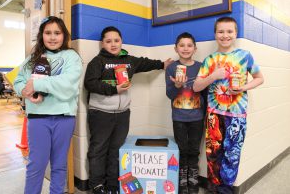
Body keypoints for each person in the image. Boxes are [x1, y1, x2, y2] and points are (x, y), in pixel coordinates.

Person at [84, 26, 173, 194]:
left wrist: (162, 64)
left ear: (121, 41)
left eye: (116, 40)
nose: (113, 44)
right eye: (108, 41)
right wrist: (114, 89)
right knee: (98, 150)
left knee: (116, 150)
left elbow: (145, 63)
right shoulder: (97, 62)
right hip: (100, 114)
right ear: (102, 43)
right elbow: (90, 83)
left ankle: (112, 185)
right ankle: (97, 186)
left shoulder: (129, 60)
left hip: (123, 114)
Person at [193, 16, 264, 194]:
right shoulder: (210, 60)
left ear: (236, 33)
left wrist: (242, 88)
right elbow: (196, 86)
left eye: (229, 31)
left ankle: (225, 190)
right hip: (213, 114)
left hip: (237, 116)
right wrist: (213, 76)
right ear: (215, 34)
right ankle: (213, 189)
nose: (225, 35)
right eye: (220, 31)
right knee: (212, 154)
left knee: (232, 155)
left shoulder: (245, 56)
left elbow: (259, 79)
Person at [13, 16, 82, 194]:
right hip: (37, 119)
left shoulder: (71, 57)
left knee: (59, 165)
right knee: (36, 165)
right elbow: (19, 81)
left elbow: (68, 84)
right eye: (48, 33)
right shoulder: (32, 58)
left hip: (64, 118)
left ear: (64, 36)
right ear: (41, 35)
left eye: (57, 33)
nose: (52, 37)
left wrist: (36, 85)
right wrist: (25, 91)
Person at [165, 32, 206, 194]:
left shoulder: (201, 66)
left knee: (194, 149)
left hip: (197, 117)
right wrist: (176, 87)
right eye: (182, 45)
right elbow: (169, 94)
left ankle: (193, 176)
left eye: (189, 45)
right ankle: (182, 177)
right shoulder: (172, 68)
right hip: (179, 117)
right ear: (176, 49)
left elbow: (204, 92)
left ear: (195, 49)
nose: (185, 48)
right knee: (182, 148)